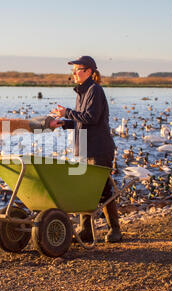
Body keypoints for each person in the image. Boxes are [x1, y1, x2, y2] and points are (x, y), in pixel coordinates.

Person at [49, 56, 121, 243]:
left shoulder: (95, 90)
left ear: (89, 71)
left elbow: (91, 117)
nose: (73, 73)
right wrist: (63, 123)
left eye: (77, 69)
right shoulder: (82, 92)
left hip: (98, 149)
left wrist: (66, 112)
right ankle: (86, 231)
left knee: (103, 190)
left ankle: (115, 230)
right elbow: (81, 120)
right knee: (82, 189)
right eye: (72, 70)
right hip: (83, 149)